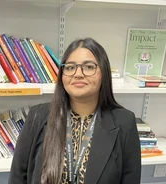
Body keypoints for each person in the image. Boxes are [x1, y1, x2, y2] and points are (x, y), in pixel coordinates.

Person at [8, 37, 141, 184]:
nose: (78, 74)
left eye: (89, 67)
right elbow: (17, 177)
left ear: (104, 73)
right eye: (70, 67)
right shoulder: (37, 116)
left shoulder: (124, 122)